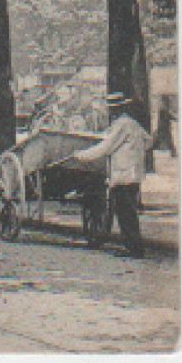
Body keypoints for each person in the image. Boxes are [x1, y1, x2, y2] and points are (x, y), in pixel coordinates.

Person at [71, 92, 153, 258]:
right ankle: (133, 246)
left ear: (114, 110)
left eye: (110, 110)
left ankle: (133, 248)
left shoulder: (120, 126)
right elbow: (149, 141)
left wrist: (80, 155)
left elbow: (105, 147)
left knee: (125, 212)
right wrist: (134, 152)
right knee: (128, 211)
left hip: (123, 175)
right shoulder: (133, 124)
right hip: (133, 174)